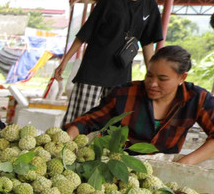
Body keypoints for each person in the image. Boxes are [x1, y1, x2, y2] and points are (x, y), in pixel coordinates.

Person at [53, 0, 163, 124]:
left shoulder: (149, 6)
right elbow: (85, 32)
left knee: (111, 122)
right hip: (94, 70)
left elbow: (148, 44)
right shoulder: (109, 0)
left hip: (121, 74)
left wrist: (153, 76)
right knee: (81, 119)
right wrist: (65, 60)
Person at [65, 45, 214, 166]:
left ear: (182, 77)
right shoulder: (125, 94)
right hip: (118, 165)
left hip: (164, 166)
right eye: (149, 75)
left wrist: (186, 162)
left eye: (162, 79)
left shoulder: (197, 99)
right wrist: (67, 139)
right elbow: (88, 121)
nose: (152, 84)